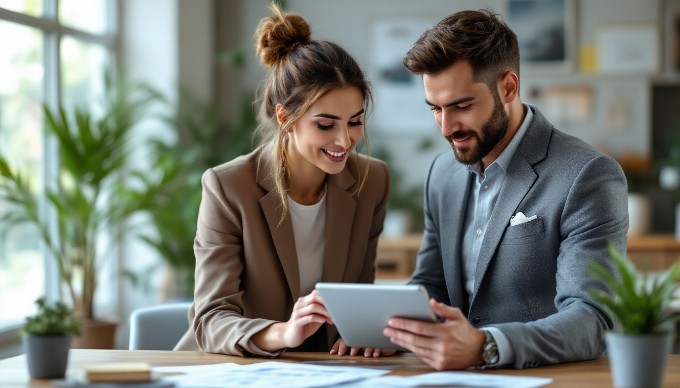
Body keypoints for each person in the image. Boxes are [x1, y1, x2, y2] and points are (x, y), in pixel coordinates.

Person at [382, 9, 628, 370]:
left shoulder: (588, 175)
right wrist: (380, 328)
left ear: (508, 87)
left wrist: (487, 346)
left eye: (461, 106)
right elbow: (431, 284)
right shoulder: (442, 174)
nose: (446, 127)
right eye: (435, 108)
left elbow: (592, 318)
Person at [175, 4, 392, 358]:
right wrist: (283, 333)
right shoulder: (229, 187)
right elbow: (210, 319)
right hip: (236, 367)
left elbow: (359, 293)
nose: (344, 140)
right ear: (286, 117)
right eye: (326, 124)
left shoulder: (372, 180)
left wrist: (365, 331)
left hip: (329, 368)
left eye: (355, 121)